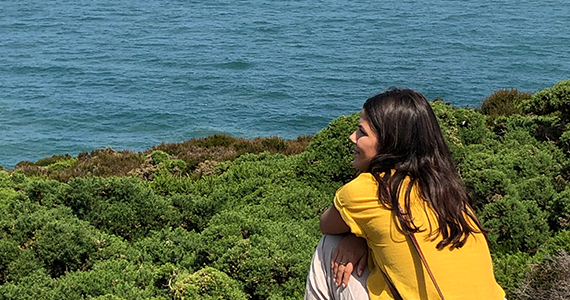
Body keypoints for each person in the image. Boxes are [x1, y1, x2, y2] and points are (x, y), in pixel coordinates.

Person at [304, 88, 505, 300]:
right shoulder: (447, 189)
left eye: (362, 132)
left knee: (329, 245)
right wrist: (363, 237)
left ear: (388, 142)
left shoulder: (366, 190)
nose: (352, 137)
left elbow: (327, 224)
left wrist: (359, 234)